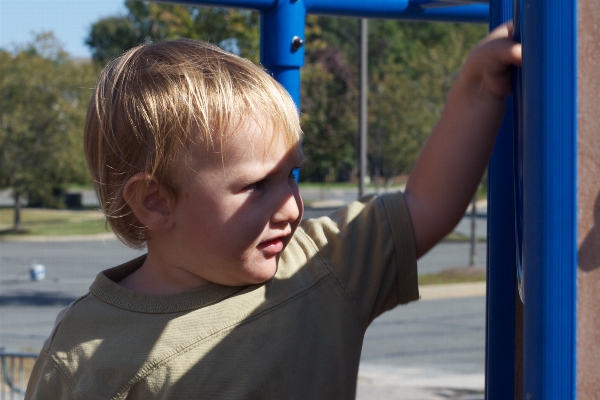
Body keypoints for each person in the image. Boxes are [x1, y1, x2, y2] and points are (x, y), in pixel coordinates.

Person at [25, 23, 521, 399]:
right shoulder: (89, 351)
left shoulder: (319, 262)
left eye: (292, 175)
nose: (291, 206)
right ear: (156, 201)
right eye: (256, 186)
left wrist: (478, 90)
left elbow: (424, 207)